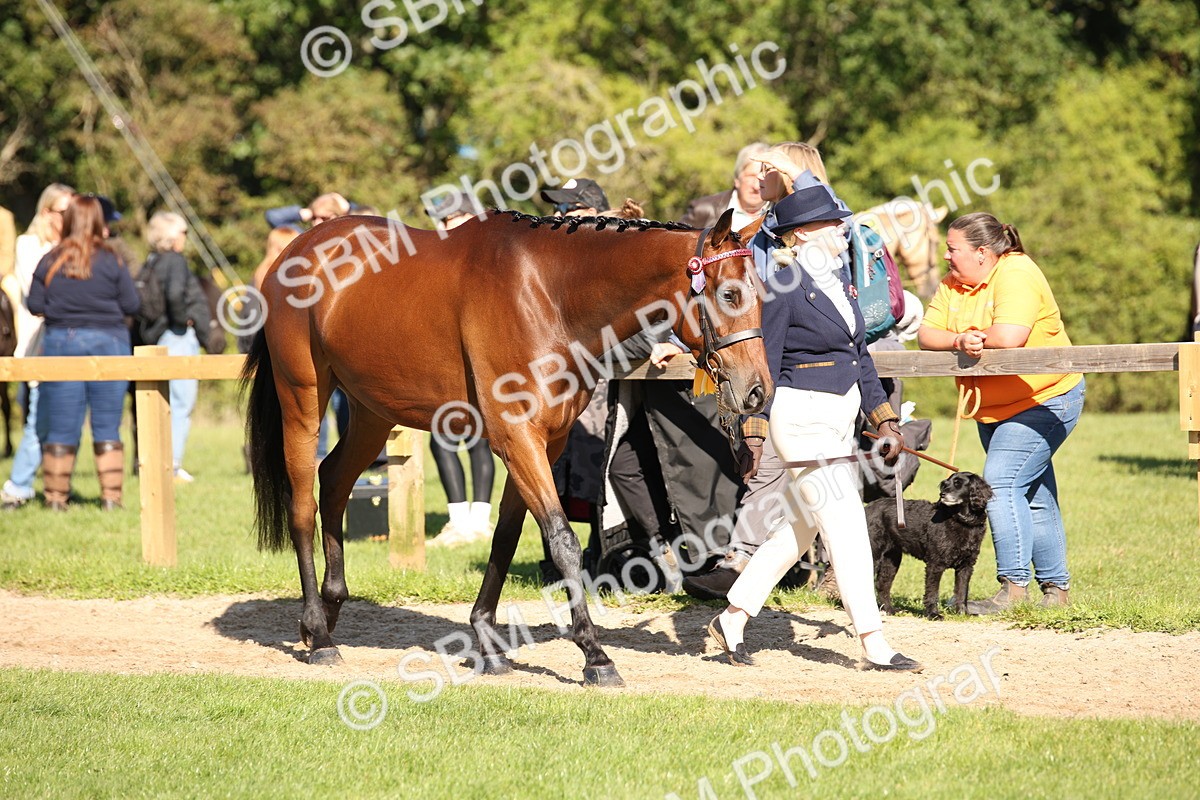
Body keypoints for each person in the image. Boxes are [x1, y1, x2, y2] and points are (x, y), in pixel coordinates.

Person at [708, 183, 922, 672]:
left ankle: (733, 616)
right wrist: (754, 430)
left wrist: (885, 420)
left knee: (800, 529)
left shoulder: (841, 278)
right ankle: (874, 642)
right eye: (831, 222)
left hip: (840, 419)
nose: (842, 227)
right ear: (803, 233)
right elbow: (767, 360)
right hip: (800, 419)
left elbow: (859, 354)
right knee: (847, 526)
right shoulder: (782, 286)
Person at [683, 143, 848, 601]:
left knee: (822, 475)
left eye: (768, 171)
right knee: (773, 467)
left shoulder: (827, 224)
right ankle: (745, 567)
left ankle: (824, 567)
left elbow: (837, 223)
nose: (758, 179)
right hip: (772, 358)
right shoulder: (762, 232)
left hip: (821, 368)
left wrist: (796, 171)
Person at [918, 212, 1085, 611]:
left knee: (1000, 483)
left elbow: (1011, 335)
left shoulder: (1016, 272)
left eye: (953, 249)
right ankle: (1056, 592)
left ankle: (1013, 590)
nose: (945, 256)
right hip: (993, 410)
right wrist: (959, 339)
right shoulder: (953, 283)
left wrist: (970, 338)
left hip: (1044, 399)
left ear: (981, 252)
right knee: (1035, 495)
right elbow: (926, 334)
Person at [27, 194, 140, 510]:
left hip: (62, 344)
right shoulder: (113, 259)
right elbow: (132, 304)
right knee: (107, 424)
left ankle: (55, 499)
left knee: (62, 425)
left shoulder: (51, 258)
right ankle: (111, 498)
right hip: (110, 344)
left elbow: (34, 304)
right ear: (100, 223)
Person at [425, 191, 496, 546]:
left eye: (447, 218)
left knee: (477, 440)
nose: (441, 226)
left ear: (469, 216)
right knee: (443, 440)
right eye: (439, 220)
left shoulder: (485, 258)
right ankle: (461, 521)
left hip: (480, 362)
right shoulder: (443, 258)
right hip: (447, 362)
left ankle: (477, 521)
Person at [1, 183, 74, 510]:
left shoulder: (72, 246)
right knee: (39, 418)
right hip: (38, 344)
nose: (71, 218)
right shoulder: (28, 245)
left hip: (66, 342)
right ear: (47, 213)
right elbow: (39, 293)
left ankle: (54, 489)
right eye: (64, 211)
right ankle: (18, 485)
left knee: (62, 420)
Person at [143, 211, 211, 482]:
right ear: (171, 235)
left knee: (160, 403)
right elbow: (174, 294)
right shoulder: (176, 261)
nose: (186, 237)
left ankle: (156, 462)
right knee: (182, 403)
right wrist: (184, 320)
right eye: (183, 232)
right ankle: (171, 465)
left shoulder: (152, 260)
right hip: (178, 337)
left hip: (158, 338)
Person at [679, 142, 769, 230]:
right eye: (750, 176)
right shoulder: (702, 210)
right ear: (737, 179)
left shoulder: (776, 215)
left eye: (764, 177)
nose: (756, 186)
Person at [264, 191, 352, 229]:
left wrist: (346, 209)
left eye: (324, 218)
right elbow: (273, 216)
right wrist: (304, 213)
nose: (317, 223)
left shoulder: (345, 236)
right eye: (314, 218)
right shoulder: (303, 238)